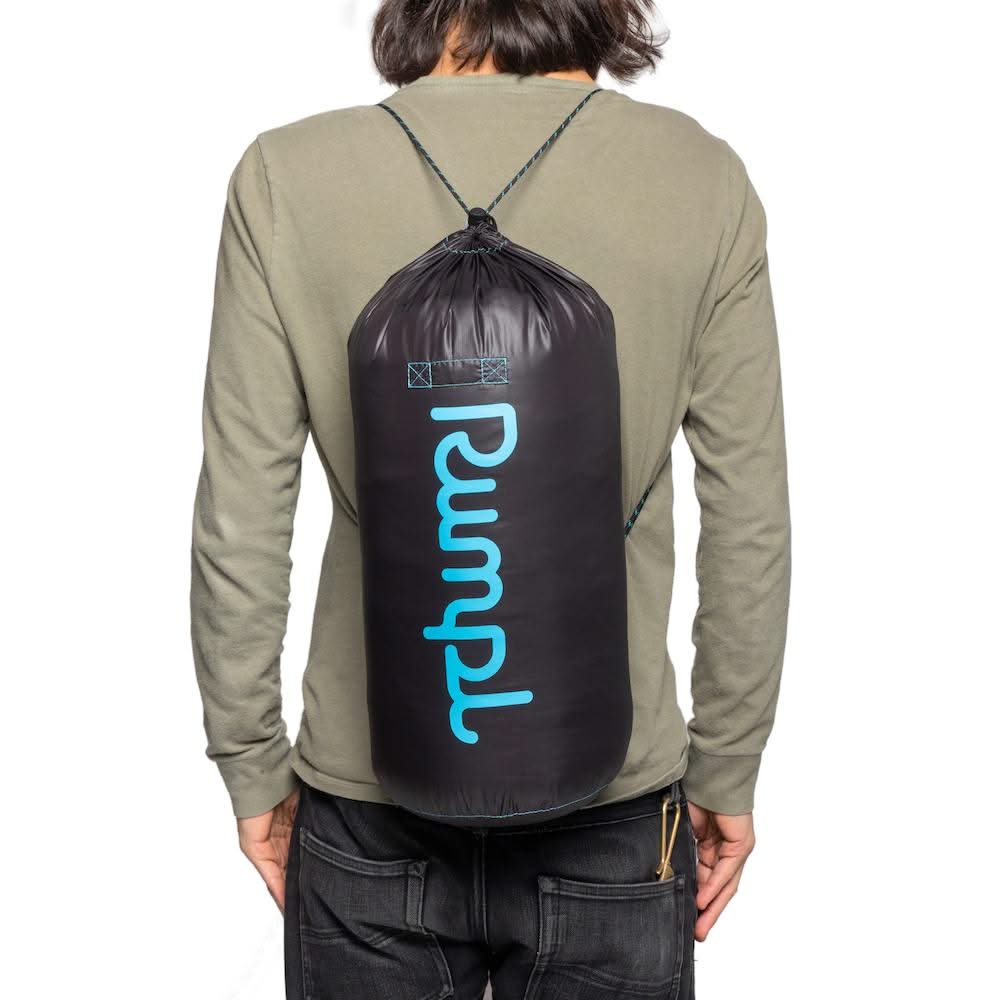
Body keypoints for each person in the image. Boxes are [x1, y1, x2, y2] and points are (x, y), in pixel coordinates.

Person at [189, 2, 791, 996]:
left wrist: (251, 766)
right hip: (616, 810)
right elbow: (747, 518)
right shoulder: (698, 177)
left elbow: (241, 511)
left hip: (364, 811)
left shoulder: (286, 176)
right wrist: (728, 764)